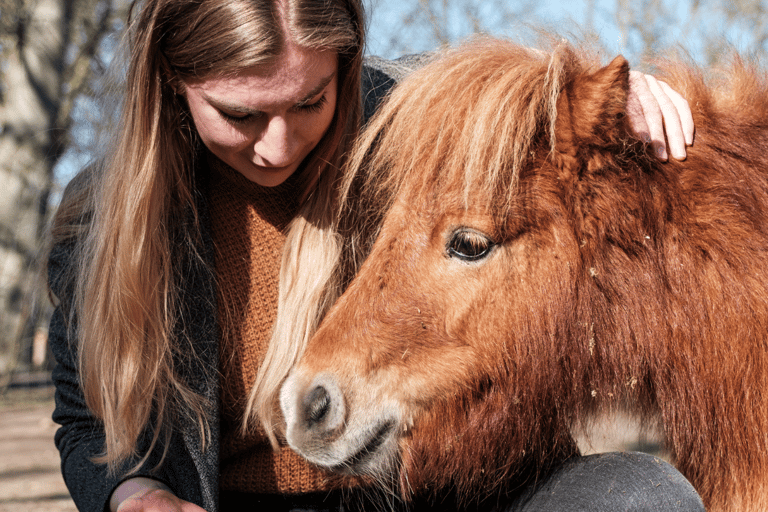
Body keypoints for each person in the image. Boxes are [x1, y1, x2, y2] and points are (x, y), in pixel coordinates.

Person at [46, 0, 698, 511]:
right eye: (239, 113)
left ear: (346, 64)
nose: (276, 147)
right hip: (240, 503)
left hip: (451, 497)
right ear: (172, 83)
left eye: (309, 102)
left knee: (641, 496)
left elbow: (501, 94)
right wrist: (134, 494)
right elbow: (85, 419)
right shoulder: (102, 221)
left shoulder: (406, 120)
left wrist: (609, 101)